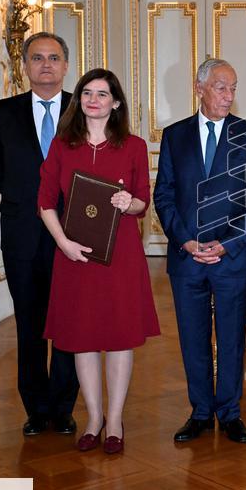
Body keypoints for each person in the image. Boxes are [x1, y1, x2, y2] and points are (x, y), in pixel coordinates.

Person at [38, 68, 160, 454]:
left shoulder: (135, 146)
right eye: (87, 93)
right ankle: (92, 418)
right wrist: (64, 244)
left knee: (119, 337)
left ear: (116, 102)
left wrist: (130, 204)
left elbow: (143, 200)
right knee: (83, 339)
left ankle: (116, 420)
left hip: (120, 257)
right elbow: (44, 202)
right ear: (79, 101)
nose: (93, 100)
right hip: (73, 258)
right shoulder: (61, 145)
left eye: (102, 94)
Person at [153, 58, 246, 445]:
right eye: (221, 87)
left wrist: (227, 242)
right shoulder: (174, 136)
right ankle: (201, 411)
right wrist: (185, 241)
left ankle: (230, 412)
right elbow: (164, 196)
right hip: (187, 258)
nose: (228, 95)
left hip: (232, 257)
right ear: (199, 87)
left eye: (233, 88)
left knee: (233, 338)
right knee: (193, 338)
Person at [0, 31, 79, 437]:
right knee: (30, 323)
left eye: (53, 58)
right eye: (37, 58)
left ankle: (64, 405)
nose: (45, 65)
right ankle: (36, 408)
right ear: (25, 66)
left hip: (73, 237)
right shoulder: (4, 111)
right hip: (22, 234)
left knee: (69, 322)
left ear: (65, 65)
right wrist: (28, 201)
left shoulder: (83, 107)